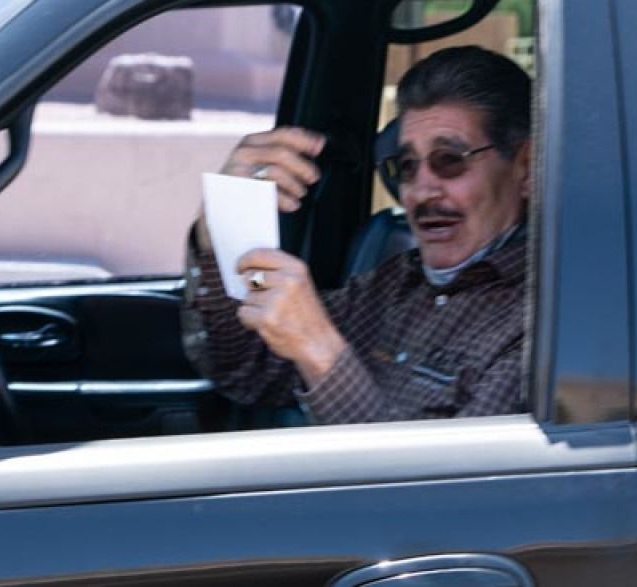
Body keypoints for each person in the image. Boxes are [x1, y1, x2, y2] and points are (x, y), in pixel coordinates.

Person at [181, 46, 531, 424]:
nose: (420, 190)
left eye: (449, 160)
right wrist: (223, 220)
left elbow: (444, 482)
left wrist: (320, 349)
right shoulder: (393, 284)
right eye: (407, 166)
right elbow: (244, 370)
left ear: (525, 168)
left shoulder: (545, 322)